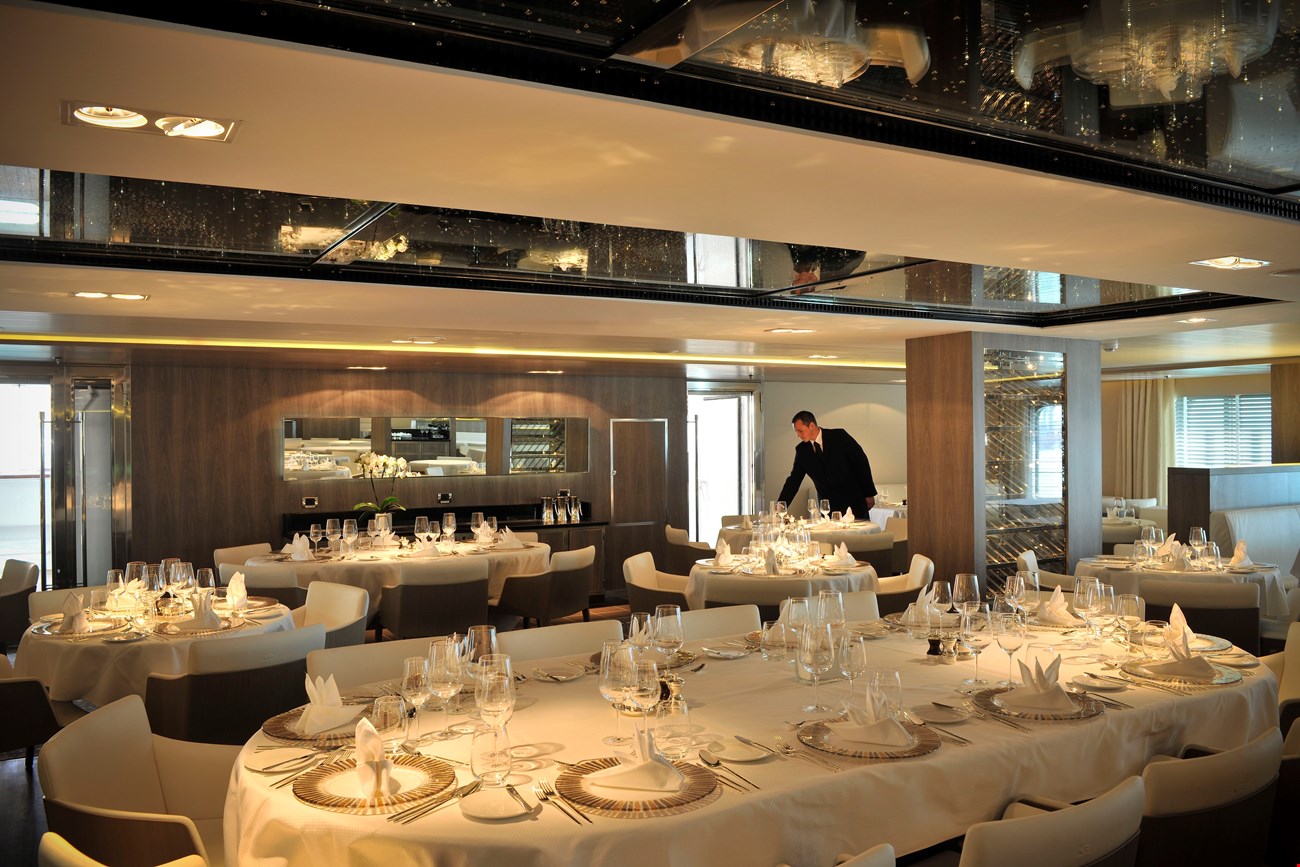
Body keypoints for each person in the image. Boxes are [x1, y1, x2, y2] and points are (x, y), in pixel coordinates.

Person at [776, 410, 877, 516]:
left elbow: (861, 463)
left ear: (811, 425)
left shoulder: (839, 436)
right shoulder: (802, 451)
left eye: (800, 431)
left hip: (853, 501)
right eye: (796, 432)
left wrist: (869, 493)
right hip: (828, 507)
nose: (798, 435)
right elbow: (793, 481)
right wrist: (780, 507)